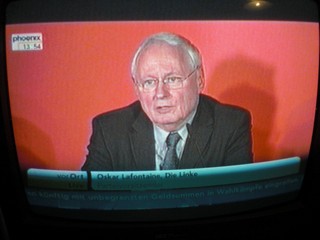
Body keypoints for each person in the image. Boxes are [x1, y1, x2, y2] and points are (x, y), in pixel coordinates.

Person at [81, 32, 253, 171]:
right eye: (149, 82)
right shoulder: (109, 131)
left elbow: (234, 199)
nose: (160, 94)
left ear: (199, 79)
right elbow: (89, 199)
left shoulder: (230, 125)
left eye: (172, 79)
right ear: (137, 89)